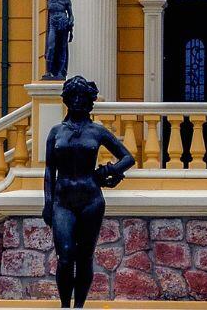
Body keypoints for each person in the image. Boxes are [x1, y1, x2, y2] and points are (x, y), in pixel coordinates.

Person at [42, 75, 134, 308]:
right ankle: (65, 306)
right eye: (74, 96)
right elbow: (49, 169)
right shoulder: (56, 132)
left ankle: (79, 306)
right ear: (67, 99)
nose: (78, 101)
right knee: (65, 255)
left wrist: (110, 171)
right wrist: (48, 202)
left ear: (89, 101)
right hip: (63, 201)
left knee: (84, 257)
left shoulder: (97, 132)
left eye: (83, 97)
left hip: (91, 199)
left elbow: (128, 157)